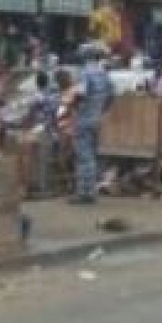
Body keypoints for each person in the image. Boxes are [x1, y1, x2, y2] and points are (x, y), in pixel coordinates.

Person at [70, 45, 113, 205]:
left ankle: (83, 192)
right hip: (97, 119)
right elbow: (111, 95)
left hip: (84, 118)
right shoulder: (104, 74)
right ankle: (92, 191)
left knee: (83, 156)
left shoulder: (84, 73)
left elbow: (81, 93)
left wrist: (72, 105)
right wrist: (101, 110)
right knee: (93, 156)